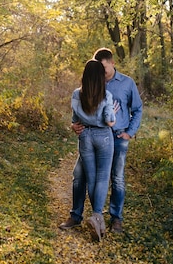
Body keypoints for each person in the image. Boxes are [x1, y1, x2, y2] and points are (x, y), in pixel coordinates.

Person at [59, 48, 143, 234]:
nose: (102, 74)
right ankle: (76, 216)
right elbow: (80, 110)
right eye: (99, 70)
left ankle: (115, 219)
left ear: (112, 63)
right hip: (94, 134)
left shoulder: (127, 83)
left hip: (117, 137)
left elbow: (137, 109)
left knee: (117, 178)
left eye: (104, 69)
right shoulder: (93, 83)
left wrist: (130, 132)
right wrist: (74, 126)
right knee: (79, 175)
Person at [70, 59, 116, 242]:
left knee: (91, 179)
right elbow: (109, 121)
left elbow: (75, 120)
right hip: (103, 137)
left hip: (85, 137)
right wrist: (114, 112)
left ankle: (97, 221)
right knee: (103, 177)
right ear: (99, 76)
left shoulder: (76, 94)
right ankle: (97, 216)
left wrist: (75, 126)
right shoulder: (106, 95)